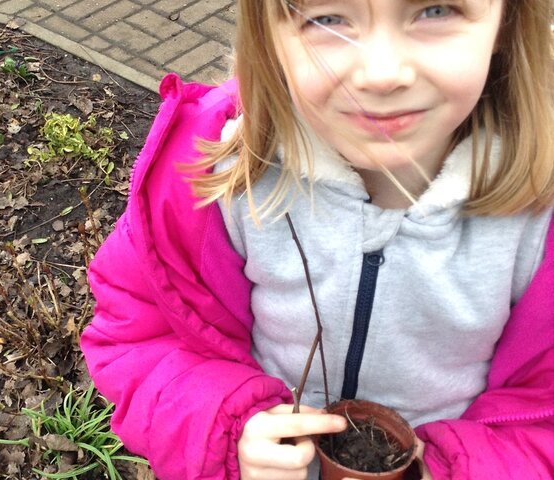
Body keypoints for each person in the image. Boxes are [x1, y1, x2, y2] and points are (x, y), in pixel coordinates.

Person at [81, 0, 554, 478]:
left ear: (508, 21)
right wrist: (226, 429)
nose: (381, 74)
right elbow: (142, 333)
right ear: (269, 38)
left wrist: (457, 470)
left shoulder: (541, 224)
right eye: (327, 18)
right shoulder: (214, 175)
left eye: (436, 10)